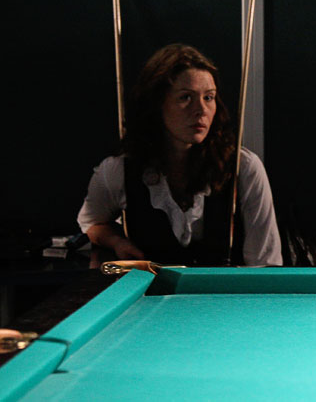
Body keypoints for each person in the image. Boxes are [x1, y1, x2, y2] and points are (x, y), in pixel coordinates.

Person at [78, 44, 282, 266]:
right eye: (186, 97)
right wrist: (116, 241)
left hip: (224, 288)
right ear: (157, 103)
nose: (201, 110)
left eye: (209, 97)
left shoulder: (244, 168)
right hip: (153, 288)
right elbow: (91, 222)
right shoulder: (120, 171)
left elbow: (265, 262)